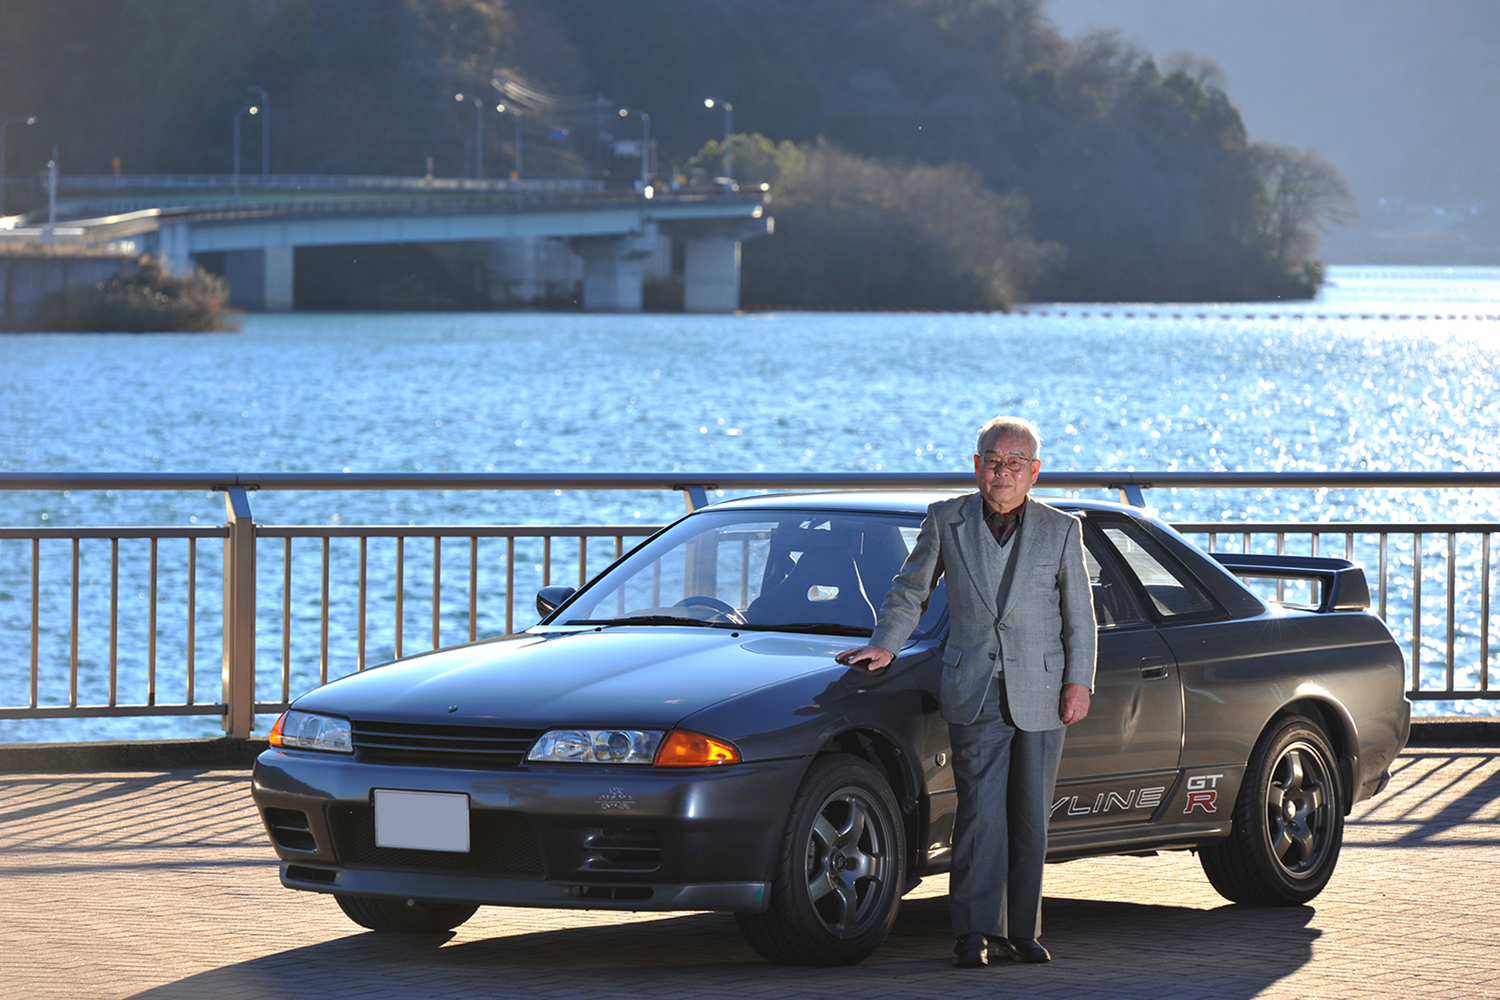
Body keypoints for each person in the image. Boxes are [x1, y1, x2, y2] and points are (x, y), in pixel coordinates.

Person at [836, 415, 1096, 968]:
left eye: (1015, 464)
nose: (1003, 473)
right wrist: (885, 645)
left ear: (1034, 472)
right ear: (976, 465)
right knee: (980, 813)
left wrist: (1079, 682)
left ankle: (1020, 931)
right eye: (993, 462)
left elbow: (1080, 616)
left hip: (1045, 690)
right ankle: (973, 932)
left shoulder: (1062, 529)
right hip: (973, 686)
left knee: (1030, 816)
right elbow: (911, 589)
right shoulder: (946, 520)